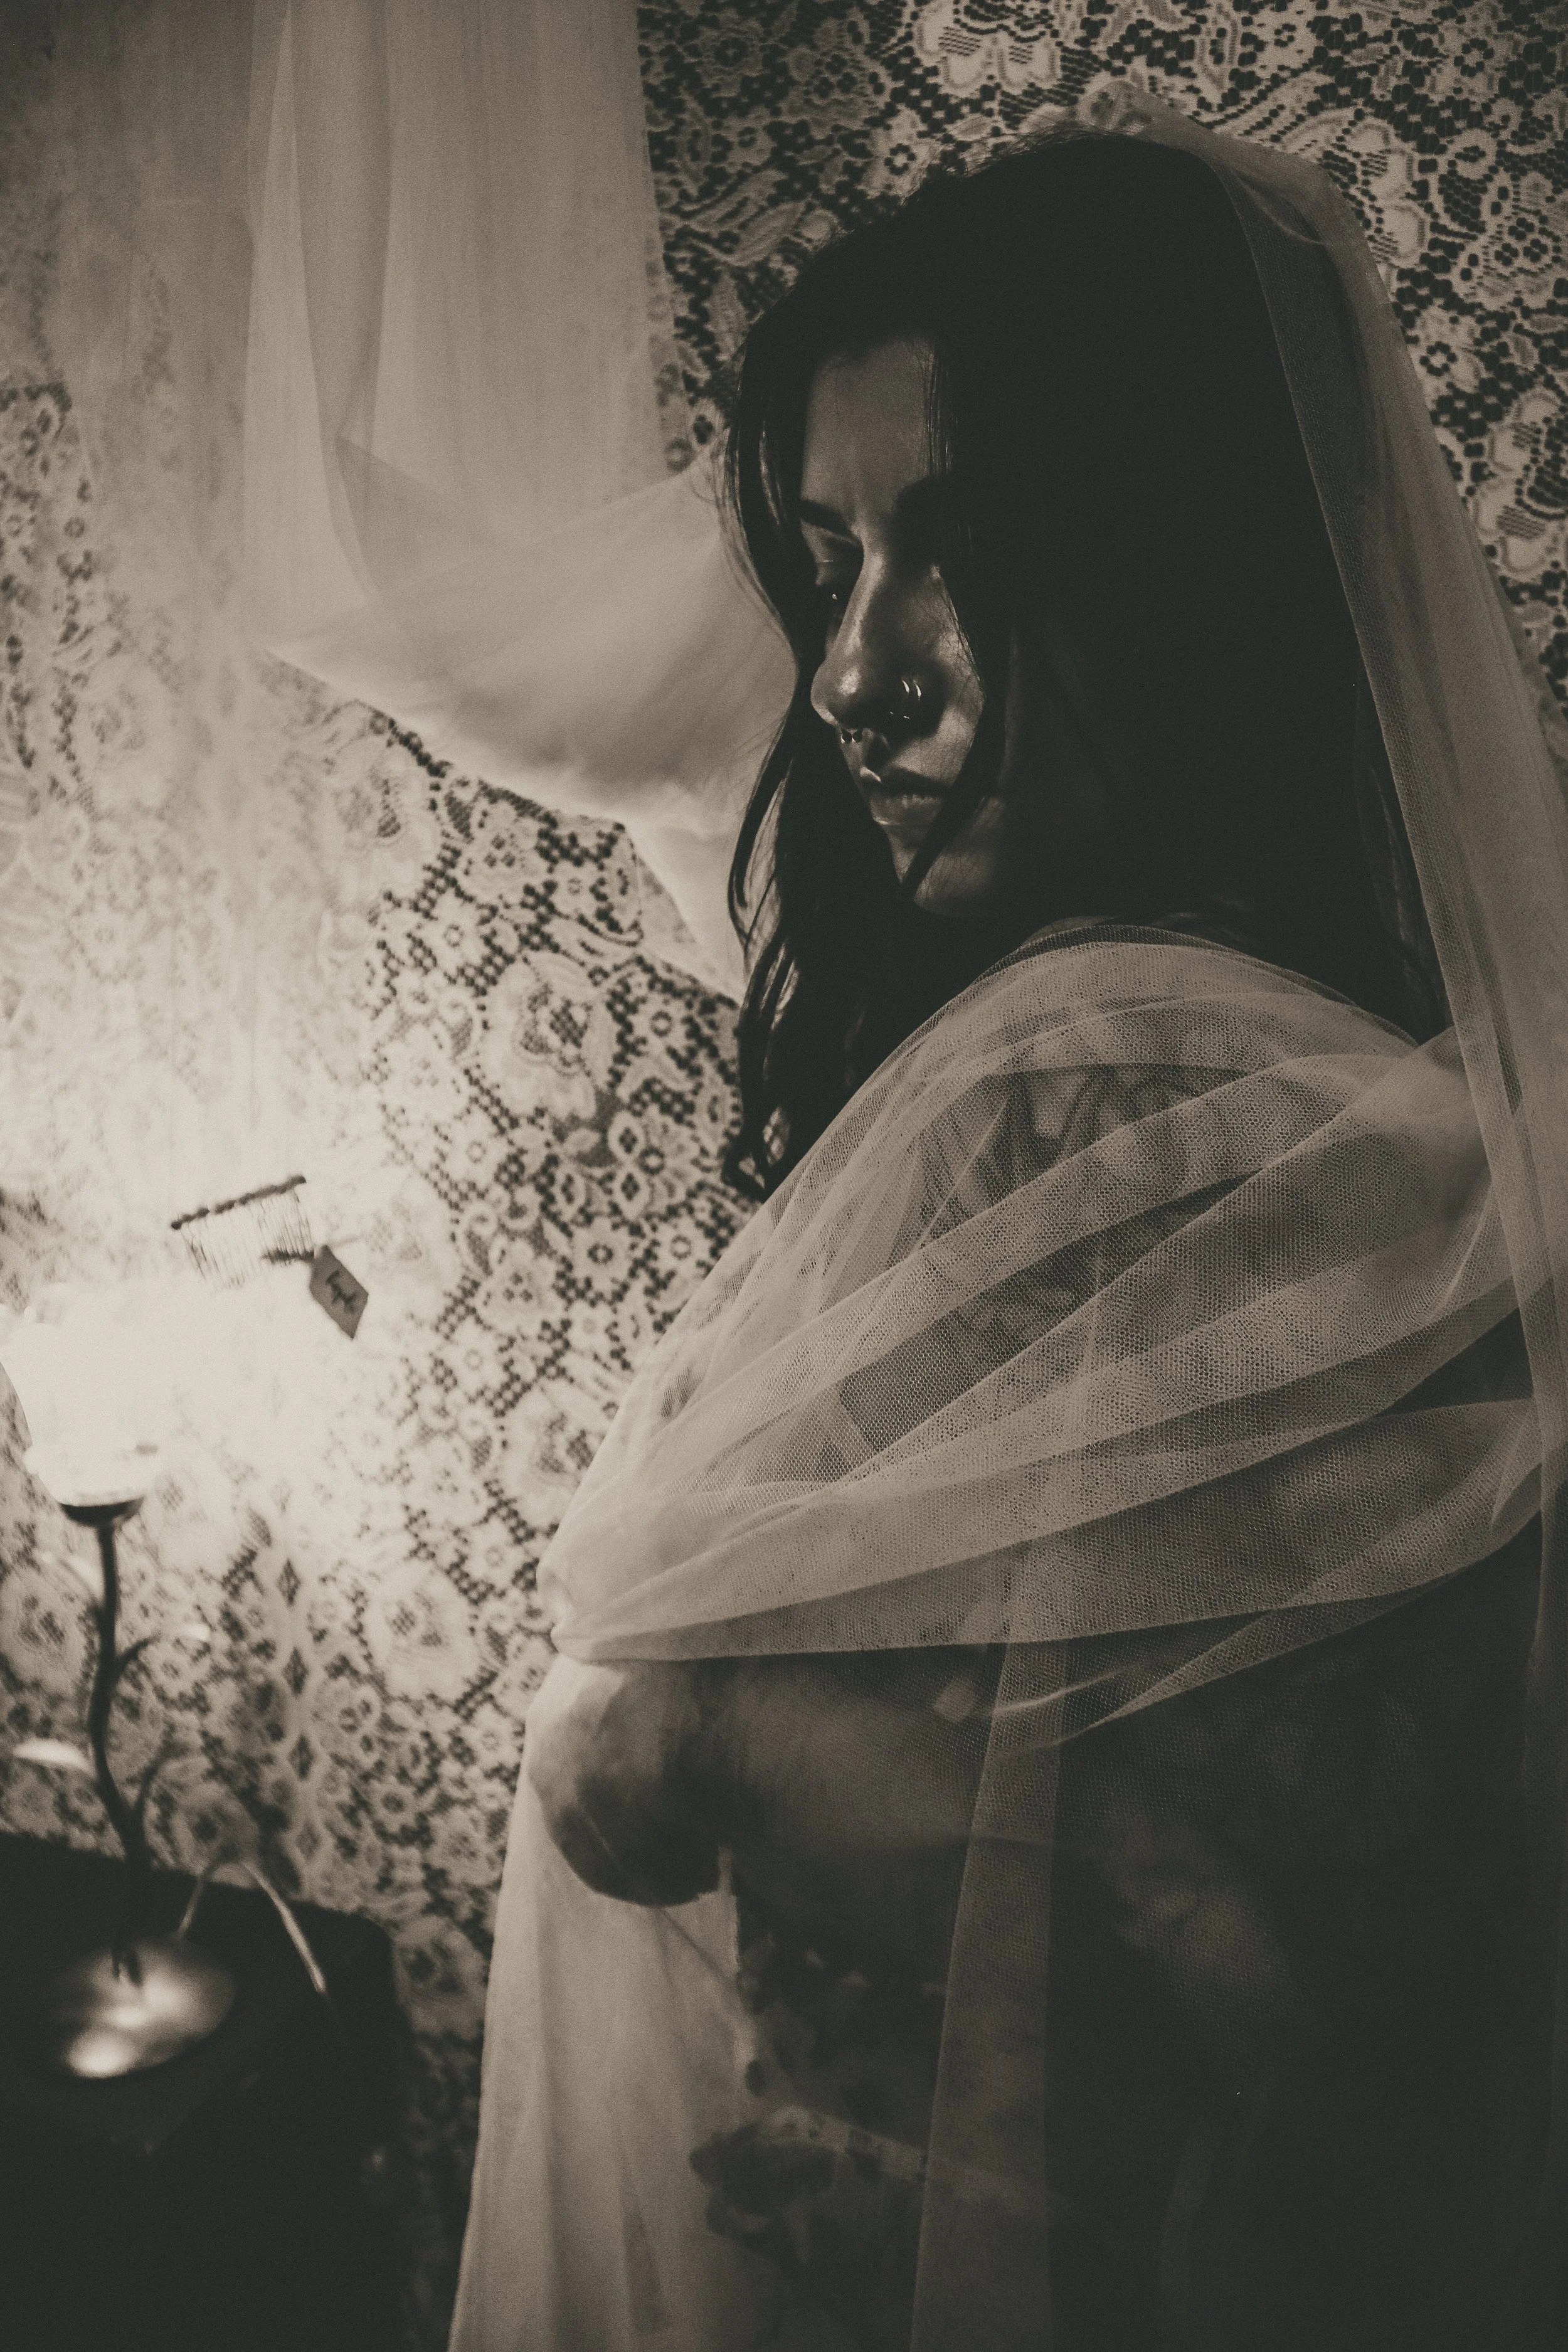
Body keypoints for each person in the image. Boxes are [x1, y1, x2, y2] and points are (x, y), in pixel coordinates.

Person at [446, 110, 1567, 2352]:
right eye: (830, 553)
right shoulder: (1423, 1090)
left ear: (1187, 562)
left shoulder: (1097, 1074)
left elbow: (633, 1768)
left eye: (959, 547)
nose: (855, 669)